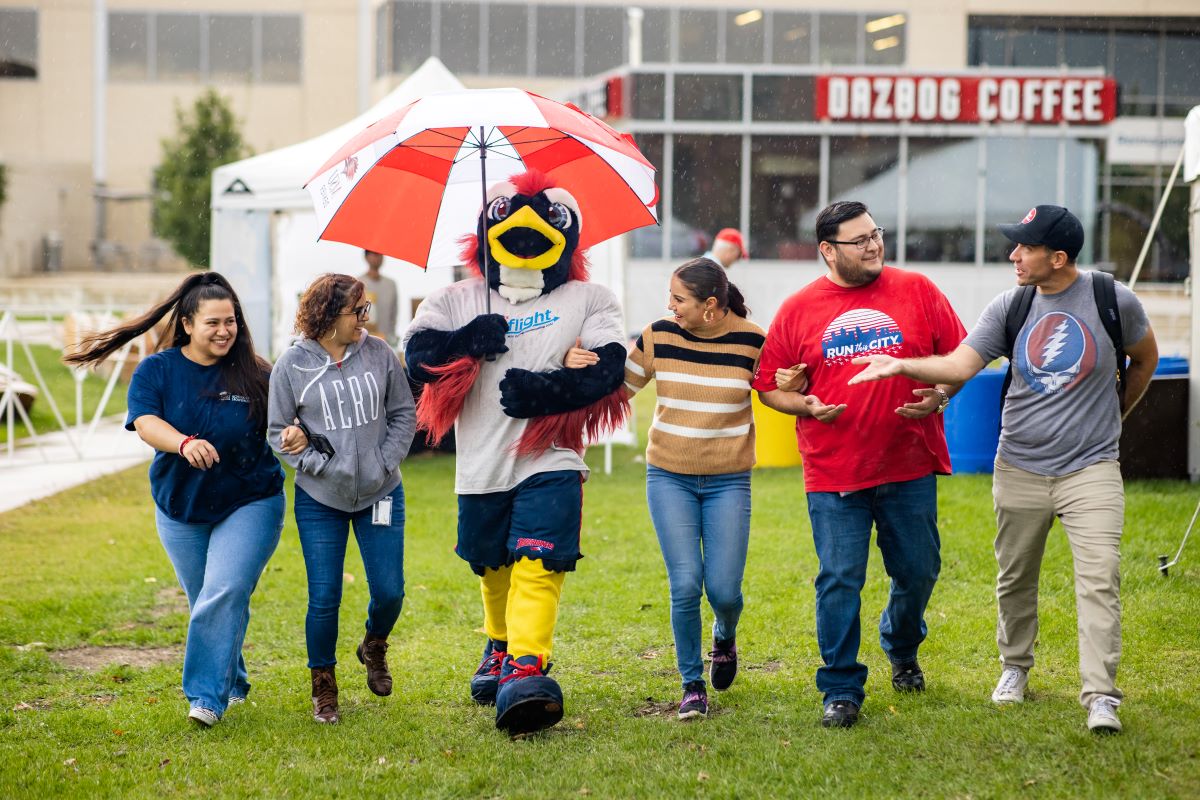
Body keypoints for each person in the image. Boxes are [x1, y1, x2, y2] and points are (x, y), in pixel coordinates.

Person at [849, 205, 1158, 734]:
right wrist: (902, 365)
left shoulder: (1112, 300)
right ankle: (1015, 668)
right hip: (1019, 465)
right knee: (1016, 579)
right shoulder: (1010, 307)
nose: (1013, 254)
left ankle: (1101, 695)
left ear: (1058, 258)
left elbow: (1145, 358)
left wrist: (1114, 416)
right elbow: (961, 365)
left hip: (1092, 468)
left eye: (1025, 247)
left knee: (1099, 579)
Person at [753, 200, 967, 729]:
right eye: (859, 240)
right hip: (834, 471)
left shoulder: (917, 290)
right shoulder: (799, 308)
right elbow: (768, 386)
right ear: (827, 250)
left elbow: (963, 357)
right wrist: (804, 404)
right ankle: (842, 688)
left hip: (908, 462)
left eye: (876, 234)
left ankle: (900, 641)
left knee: (918, 571)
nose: (874, 246)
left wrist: (940, 394)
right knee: (840, 579)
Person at [65, 272, 300, 728]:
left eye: (230, 321)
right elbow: (147, 421)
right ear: (188, 324)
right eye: (213, 322)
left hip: (250, 499)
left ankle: (206, 699)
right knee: (207, 601)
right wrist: (183, 442)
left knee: (224, 590)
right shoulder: (159, 370)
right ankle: (233, 680)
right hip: (181, 506)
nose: (224, 331)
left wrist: (293, 432)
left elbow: (289, 420)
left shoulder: (256, 371)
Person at [613, 257, 764, 720]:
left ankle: (724, 634)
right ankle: (691, 684)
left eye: (679, 299)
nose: (670, 306)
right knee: (684, 585)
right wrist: (577, 363)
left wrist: (796, 384)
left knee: (723, 590)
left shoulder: (753, 341)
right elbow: (617, 389)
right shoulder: (658, 334)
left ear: (711, 306)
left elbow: (778, 390)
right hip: (669, 476)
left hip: (728, 482)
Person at [268, 273, 416, 724]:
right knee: (324, 597)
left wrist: (383, 462)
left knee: (390, 591)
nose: (365, 318)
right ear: (330, 315)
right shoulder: (291, 365)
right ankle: (324, 684)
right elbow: (278, 433)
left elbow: (403, 413)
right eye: (358, 311)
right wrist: (319, 464)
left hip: (381, 492)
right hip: (320, 500)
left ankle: (374, 644)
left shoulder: (379, 354)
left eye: (365, 309)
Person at [360, 250, 399, 346]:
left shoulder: (390, 284)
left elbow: (393, 314)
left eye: (380, 254)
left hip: (386, 341)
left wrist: (391, 336)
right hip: (363, 341)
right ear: (366, 257)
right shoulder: (359, 283)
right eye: (374, 254)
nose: (378, 257)